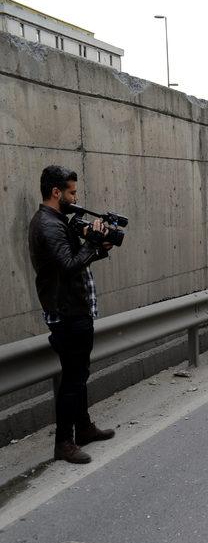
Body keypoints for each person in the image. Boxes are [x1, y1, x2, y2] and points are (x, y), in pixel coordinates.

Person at [28, 166, 115, 464]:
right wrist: (91, 242)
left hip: (74, 309)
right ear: (57, 192)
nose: (75, 197)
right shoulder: (48, 225)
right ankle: (64, 442)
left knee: (79, 375)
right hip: (67, 314)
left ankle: (84, 428)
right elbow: (68, 264)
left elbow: (74, 260)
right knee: (73, 379)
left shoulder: (56, 221)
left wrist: (98, 247)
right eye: (72, 192)